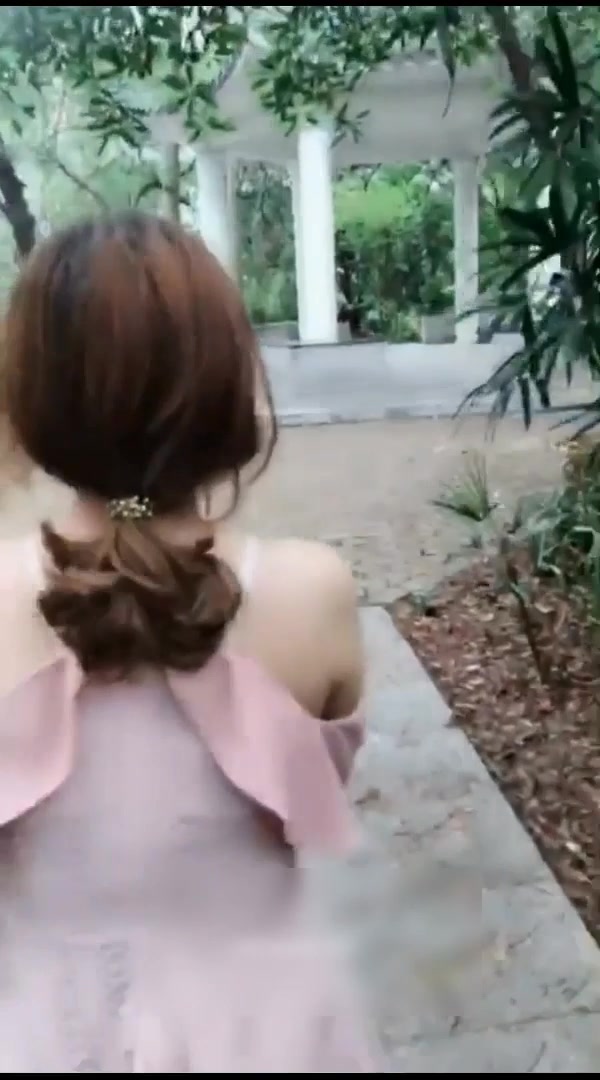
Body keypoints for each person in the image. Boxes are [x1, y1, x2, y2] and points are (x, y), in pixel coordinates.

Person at [0, 212, 381, 1072]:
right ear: (223, 380)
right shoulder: (311, 593)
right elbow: (309, 799)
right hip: (275, 1038)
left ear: (32, 398)